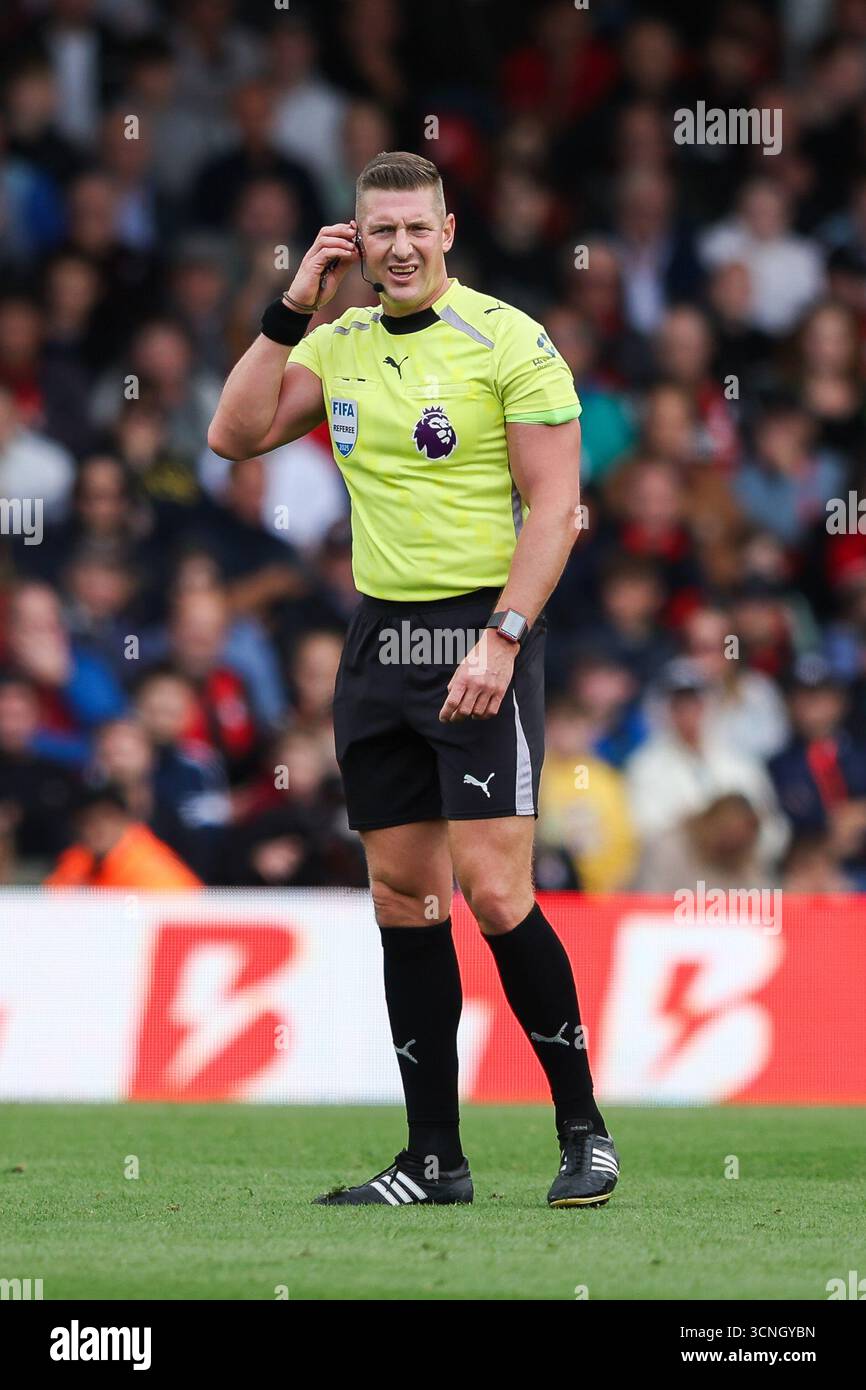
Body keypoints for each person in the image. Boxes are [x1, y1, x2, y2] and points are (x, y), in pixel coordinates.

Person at [208, 150, 617, 1210]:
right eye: (375, 230)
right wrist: (290, 303)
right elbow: (232, 433)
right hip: (376, 640)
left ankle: (583, 1129)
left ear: (445, 232)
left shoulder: (508, 341)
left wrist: (504, 636)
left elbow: (556, 508)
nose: (396, 246)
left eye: (414, 228)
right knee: (403, 895)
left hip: (478, 632)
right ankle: (433, 1159)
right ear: (353, 237)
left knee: (493, 889)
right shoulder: (334, 343)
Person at [45, 783, 202, 889]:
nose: (97, 828)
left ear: (126, 820)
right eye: (87, 821)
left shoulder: (155, 869)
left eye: (107, 817)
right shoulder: (77, 862)